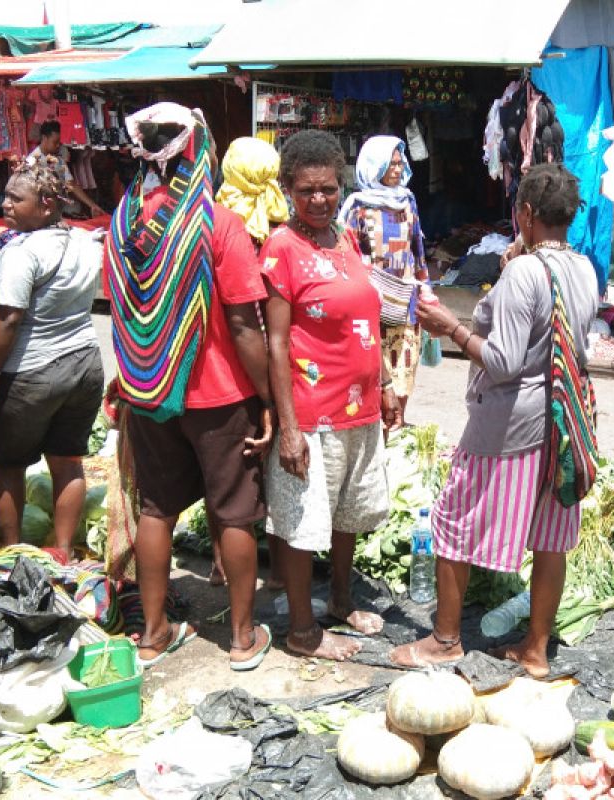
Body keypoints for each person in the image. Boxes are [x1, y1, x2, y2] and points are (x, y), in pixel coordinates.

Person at [390, 164, 599, 677]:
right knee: (551, 535)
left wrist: (449, 327)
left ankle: (444, 641)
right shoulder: (585, 269)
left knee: (453, 522)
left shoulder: (524, 273)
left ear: (524, 213)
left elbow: (503, 361)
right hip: (562, 422)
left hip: (510, 424)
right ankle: (535, 651)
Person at [104, 103, 273, 671]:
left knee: (156, 509)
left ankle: (152, 633)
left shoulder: (123, 223)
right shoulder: (215, 225)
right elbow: (246, 325)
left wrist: (127, 379)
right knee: (234, 513)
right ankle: (242, 638)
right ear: (198, 148)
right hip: (218, 397)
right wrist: (269, 399)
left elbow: (123, 316)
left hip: (148, 393)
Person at [262, 130, 398, 662]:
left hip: (358, 408)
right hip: (312, 415)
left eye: (327, 189)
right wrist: (289, 427)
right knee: (303, 521)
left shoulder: (346, 239)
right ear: (287, 191)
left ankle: (340, 601)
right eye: (306, 191)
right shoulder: (282, 249)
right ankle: (302, 631)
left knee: (346, 516)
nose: (319, 200)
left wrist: (384, 381)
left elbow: (366, 317)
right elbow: (276, 343)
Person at [0, 156, 103, 559]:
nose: (5, 205)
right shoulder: (85, 241)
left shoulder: (23, 252)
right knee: (68, 461)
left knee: (10, 464)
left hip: (32, 371)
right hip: (85, 363)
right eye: (5, 196)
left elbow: (8, 317)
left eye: (16, 199)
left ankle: (13, 552)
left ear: (48, 204)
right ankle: (63, 550)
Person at [209, 135, 290, 592]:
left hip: (226, 363)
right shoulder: (279, 222)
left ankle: (222, 565)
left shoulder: (216, 218)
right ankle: (277, 572)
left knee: (227, 476)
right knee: (273, 469)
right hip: (266, 361)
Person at [337, 136, 427, 426]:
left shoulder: (407, 201)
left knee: (405, 365)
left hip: (406, 298)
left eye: (401, 163)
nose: (398, 170)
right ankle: (376, 425)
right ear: (375, 166)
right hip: (371, 301)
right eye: (392, 164)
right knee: (375, 365)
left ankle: (399, 421)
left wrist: (425, 287)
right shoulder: (358, 206)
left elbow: (417, 248)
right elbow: (345, 254)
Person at [25, 120, 106, 218]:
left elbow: (71, 184)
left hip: (57, 205)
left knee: (75, 208)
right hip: (40, 209)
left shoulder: (58, 159)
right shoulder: (32, 161)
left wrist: (92, 205)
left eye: (59, 142)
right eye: (55, 142)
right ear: (44, 138)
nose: (58, 145)